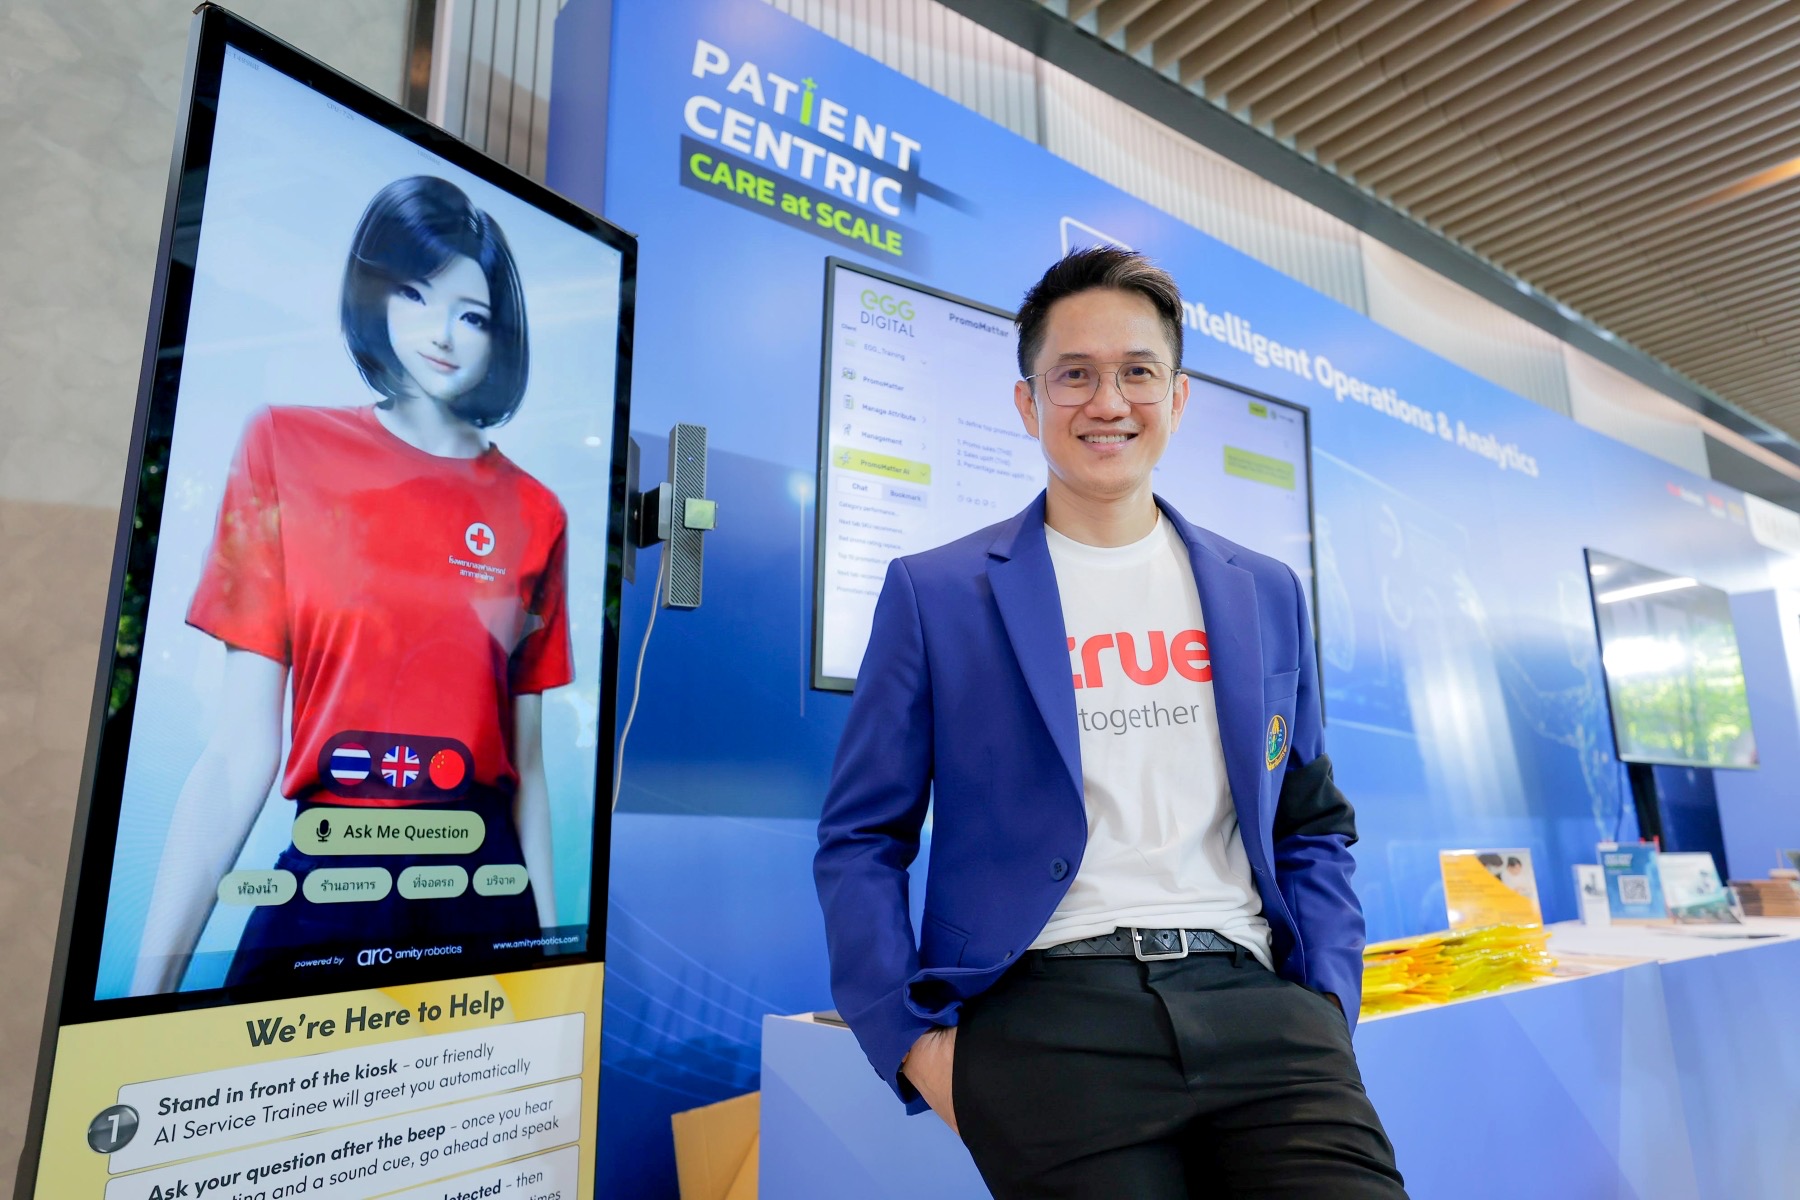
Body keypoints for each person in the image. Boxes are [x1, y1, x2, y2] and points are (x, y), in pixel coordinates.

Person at [815, 248, 1406, 1197]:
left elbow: (1310, 822)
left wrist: (1330, 1004)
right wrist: (912, 1044)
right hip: (1049, 1017)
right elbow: (859, 836)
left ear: (1177, 397)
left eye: (1137, 372)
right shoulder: (938, 594)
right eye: (1074, 375)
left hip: (1258, 1007)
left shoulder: (1264, 592)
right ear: (1028, 403)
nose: (1109, 402)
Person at [129, 176, 570, 996]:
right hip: (333, 872)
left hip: (480, 891)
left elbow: (531, 767)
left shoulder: (536, 511)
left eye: (472, 315)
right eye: (414, 294)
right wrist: (143, 998)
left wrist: (555, 970)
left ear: (498, 334)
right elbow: (239, 750)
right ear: (376, 296)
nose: (442, 335)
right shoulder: (285, 447)